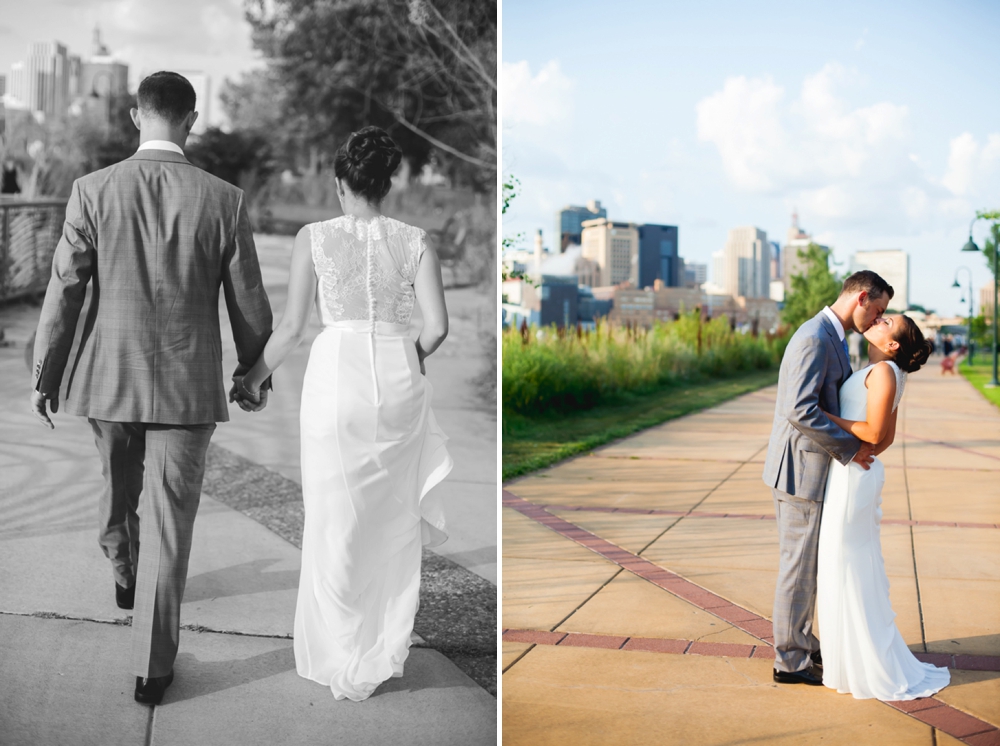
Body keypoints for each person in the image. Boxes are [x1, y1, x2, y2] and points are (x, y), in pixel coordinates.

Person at [29, 71, 273, 705]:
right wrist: (252, 372)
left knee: (116, 488)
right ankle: (152, 668)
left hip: (107, 378)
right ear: (190, 120)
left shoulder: (92, 190)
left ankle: (121, 567)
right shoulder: (225, 199)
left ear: (137, 118)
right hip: (187, 389)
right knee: (170, 524)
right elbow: (249, 303)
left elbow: (65, 289)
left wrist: (45, 374)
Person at [232, 126, 453, 701]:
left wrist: (251, 379)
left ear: (339, 184)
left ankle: (337, 650)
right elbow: (438, 328)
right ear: (386, 185)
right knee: (391, 520)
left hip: (337, 380)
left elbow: (293, 329)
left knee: (333, 519)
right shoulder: (415, 240)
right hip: (398, 376)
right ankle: (380, 646)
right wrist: (409, 360)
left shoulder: (315, 237)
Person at [762, 271, 891, 685]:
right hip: (800, 471)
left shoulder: (833, 336)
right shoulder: (816, 337)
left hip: (813, 469)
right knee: (797, 568)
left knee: (806, 566)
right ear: (862, 296)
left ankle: (800, 641)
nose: (876, 320)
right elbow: (800, 410)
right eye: (878, 311)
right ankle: (791, 661)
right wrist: (852, 448)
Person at [817, 314, 947, 699]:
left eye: (886, 321)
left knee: (847, 567)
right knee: (850, 566)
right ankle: (851, 657)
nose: (878, 319)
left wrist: (823, 417)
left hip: (853, 478)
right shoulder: (885, 370)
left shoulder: (886, 372)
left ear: (892, 344)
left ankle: (860, 663)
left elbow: (874, 434)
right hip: (856, 471)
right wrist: (858, 449)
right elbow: (882, 439)